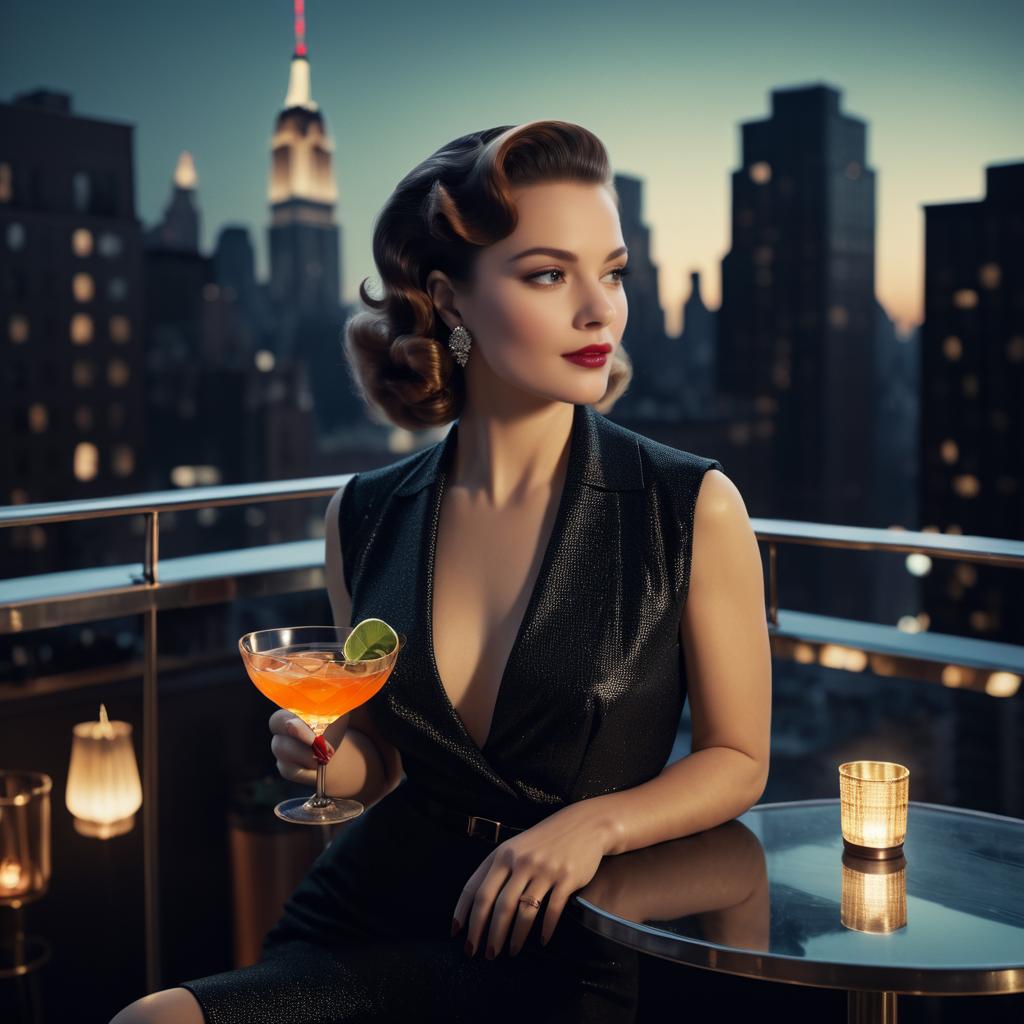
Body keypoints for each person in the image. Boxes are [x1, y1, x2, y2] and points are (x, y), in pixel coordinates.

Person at [111, 119, 771, 1024]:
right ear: (448, 300)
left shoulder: (690, 505)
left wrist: (592, 826)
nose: (600, 309)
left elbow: (738, 761)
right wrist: (335, 760)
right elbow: (385, 758)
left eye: (610, 271)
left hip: (559, 931)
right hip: (365, 909)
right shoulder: (366, 512)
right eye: (549, 274)